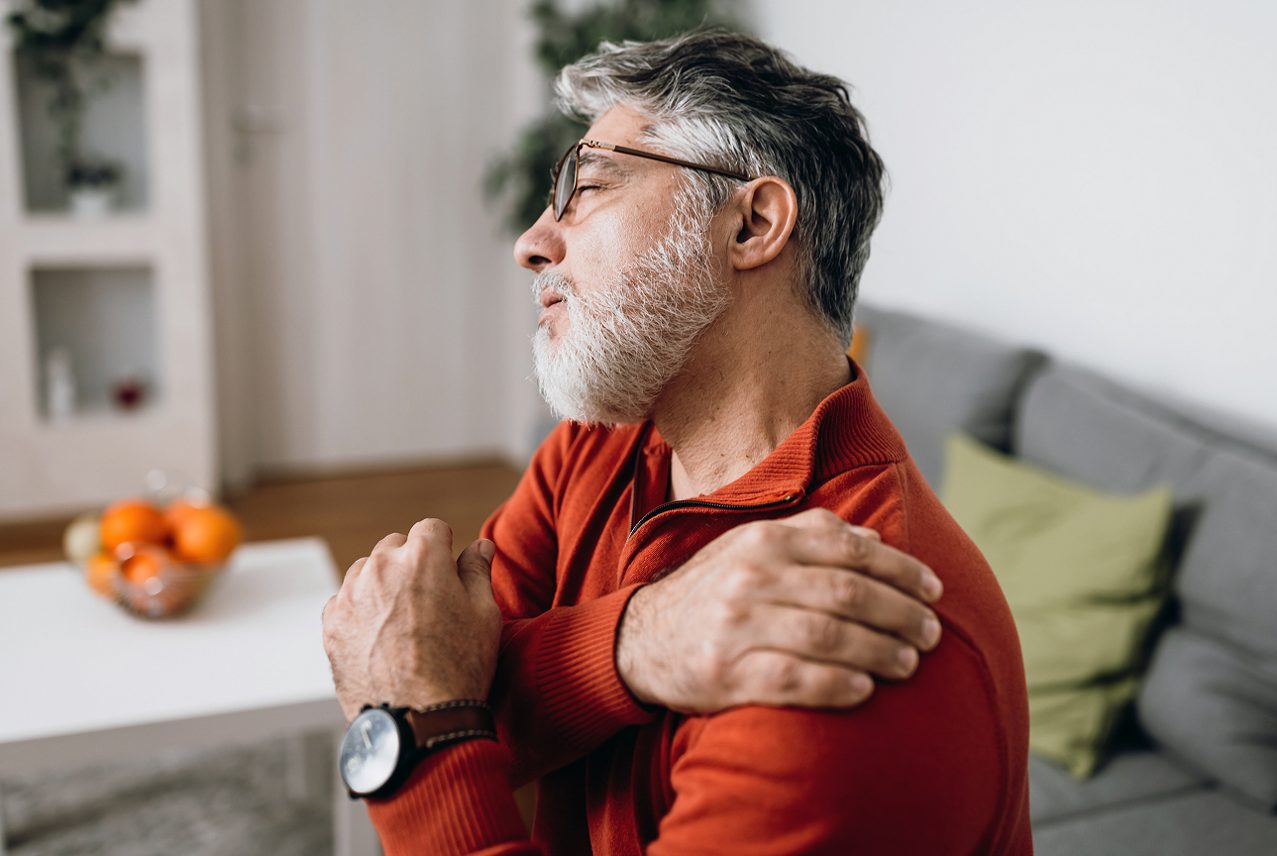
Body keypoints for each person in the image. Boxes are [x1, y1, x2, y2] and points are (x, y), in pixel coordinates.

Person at [322, 29, 1032, 855]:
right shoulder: (595, 452)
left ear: (750, 225)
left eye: (584, 187)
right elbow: (469, 691)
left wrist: (414, 727)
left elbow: (438, 693)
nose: (532, 242)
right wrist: (633, 643)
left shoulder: (835, 633)